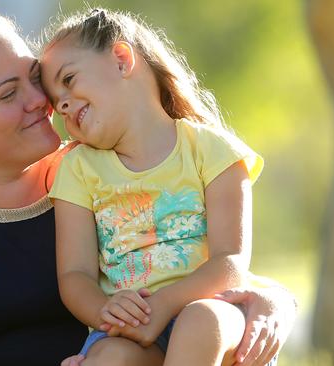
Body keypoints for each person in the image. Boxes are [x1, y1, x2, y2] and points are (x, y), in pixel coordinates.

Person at [0, 7, 296, 366]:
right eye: (7, 94)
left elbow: (196, 258)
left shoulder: (101, 173)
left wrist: (276, 304)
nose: (43, 100)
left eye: (36, 78)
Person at [40, 9, 273, 365]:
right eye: (57, 103)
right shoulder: (78, 170)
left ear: (121, 59)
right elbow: (75, 275)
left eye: (68, 79)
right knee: (111, 357)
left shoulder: (212, 150)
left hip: (212, 310)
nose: (64, 105)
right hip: (130, 326)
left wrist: (164, 306)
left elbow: (231, 262)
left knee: (199, 323)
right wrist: (107, 308)